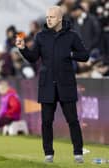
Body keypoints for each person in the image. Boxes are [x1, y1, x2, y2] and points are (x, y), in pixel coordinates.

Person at [16, 6, 89, 163]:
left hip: (66, 84)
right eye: (47, 17)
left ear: (60, 19)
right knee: (47, 122)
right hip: (47, 84)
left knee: (73, 121)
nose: (48, 19)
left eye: (52, 17)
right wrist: (23, 49)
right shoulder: (41, 36)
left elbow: (85, 55)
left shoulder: (72, 36)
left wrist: (71, 54)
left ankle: (78, 153)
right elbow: (33, 57)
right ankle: (48, 154)